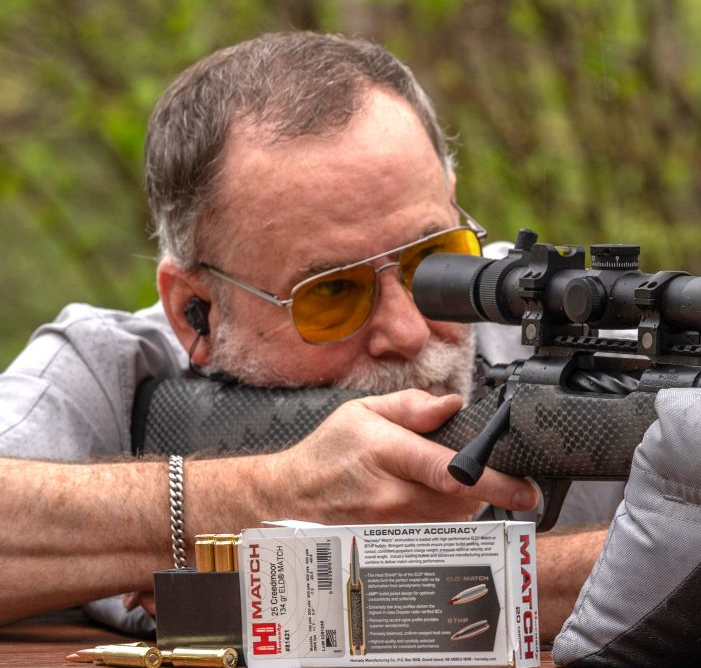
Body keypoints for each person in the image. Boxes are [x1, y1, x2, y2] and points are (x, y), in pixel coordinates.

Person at [0, 32, 609, 631]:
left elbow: (681, 570)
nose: (406, 330)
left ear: (454, 207)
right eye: (333, 292)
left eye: (432, 260)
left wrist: (353, 582)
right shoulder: (116, 372)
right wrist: (264, 498)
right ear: (196, 310)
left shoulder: (559, 327)